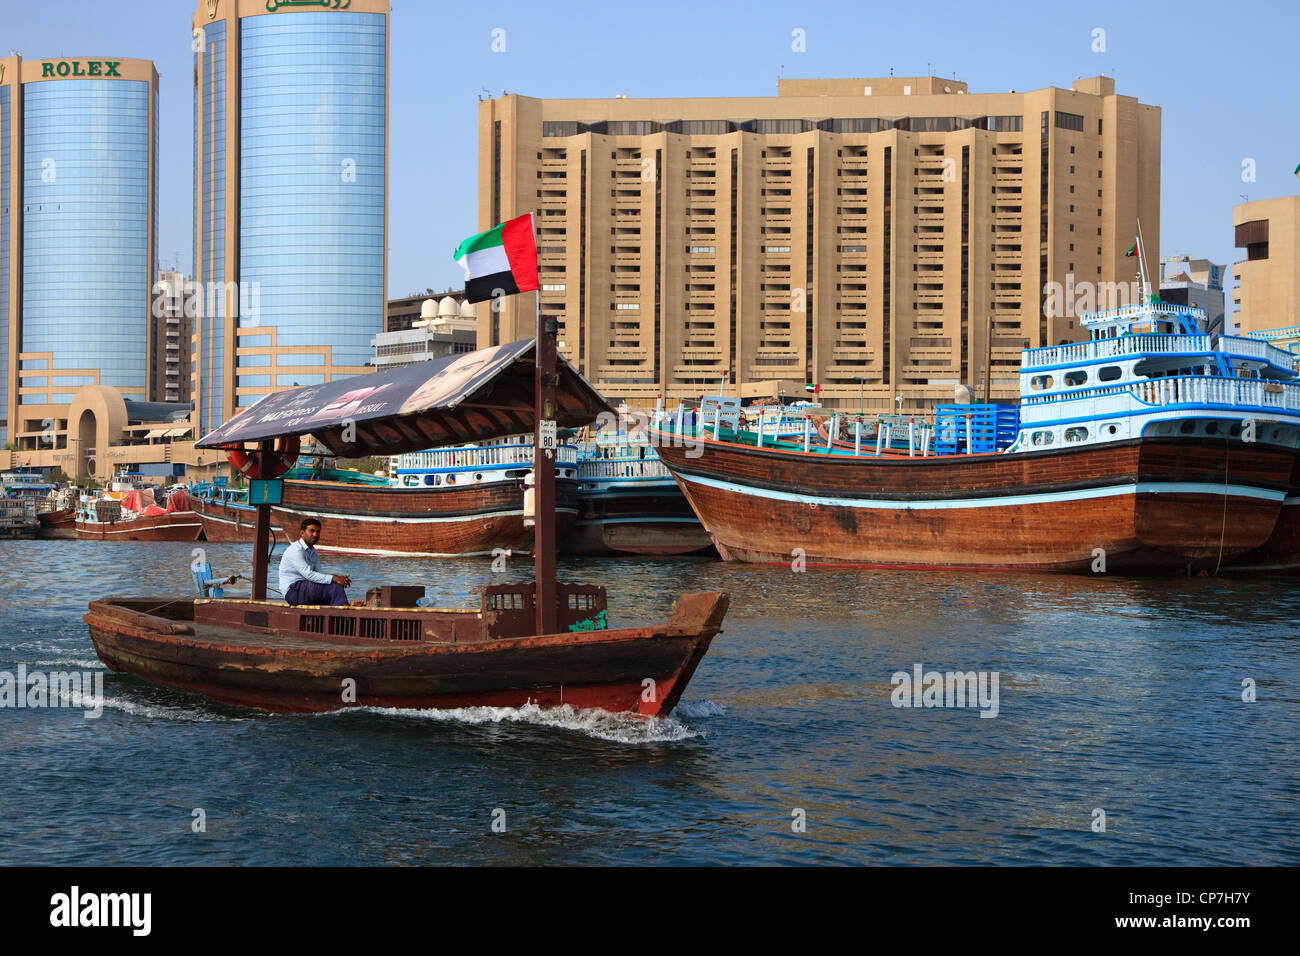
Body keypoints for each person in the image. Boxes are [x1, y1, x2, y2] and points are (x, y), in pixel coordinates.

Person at [279, 518, 351, 606]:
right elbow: (308, 574)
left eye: (318, 532)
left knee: (334, 584)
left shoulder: (312, 551)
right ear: (302, 533)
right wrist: (334, 579)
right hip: (293, 591)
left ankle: (343, 607)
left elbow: (319, 573)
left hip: (306, 588)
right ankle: (345, 609)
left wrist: (338, 579)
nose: (315, 534)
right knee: (334, 585)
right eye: (312, 531)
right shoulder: (295, 550)